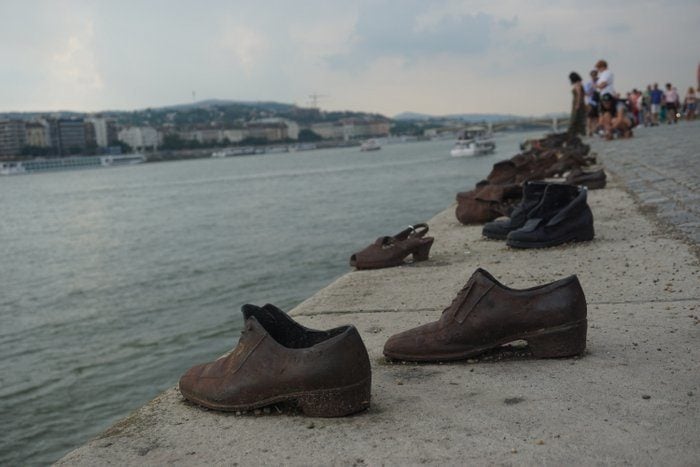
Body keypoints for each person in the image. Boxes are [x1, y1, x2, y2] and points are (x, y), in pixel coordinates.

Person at [568, 72, 586, 136]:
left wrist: (577, 104)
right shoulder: (580, 83)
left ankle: (572, 132)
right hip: (580, 103)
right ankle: (580, 132)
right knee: (580, 118)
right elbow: (583, 94)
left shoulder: (577, 84)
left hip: (577, 103)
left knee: (575, 118)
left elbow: (579, 94)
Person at [584, 70, 600, 136]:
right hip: (591, 102)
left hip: (599, 102)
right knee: (590, 117)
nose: (594, 76)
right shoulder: (588, 84)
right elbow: (586, 93)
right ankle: (589, 131)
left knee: (596, 117)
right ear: (591, 76)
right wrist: (592, 88)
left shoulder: (600, 82)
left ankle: (595, 130)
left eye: (595, 75)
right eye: (593, 75)